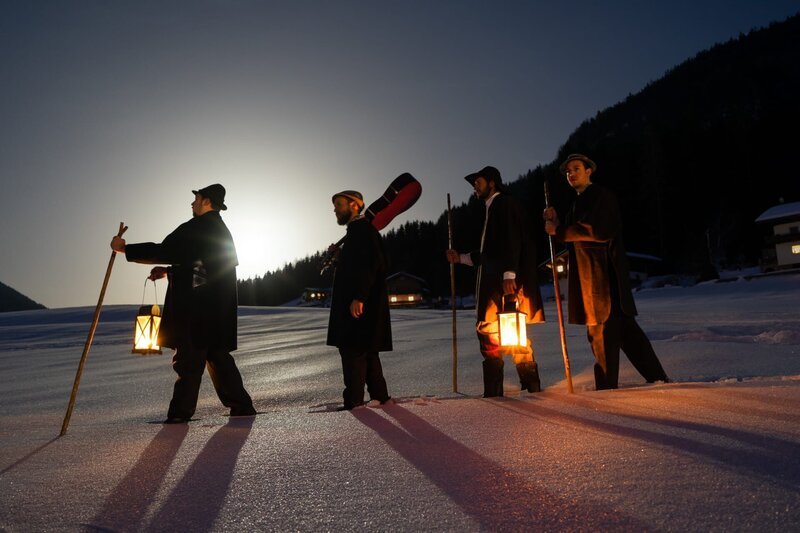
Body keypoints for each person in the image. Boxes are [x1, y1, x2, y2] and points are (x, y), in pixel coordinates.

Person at [111, 184, 256, 423]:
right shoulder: (218, 229)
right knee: (218, 359)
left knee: (188, 361)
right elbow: (202, 268)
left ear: (207, 201)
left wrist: (125, 248)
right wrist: (169, 272)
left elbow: (167, 250)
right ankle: (242, 407)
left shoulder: (199, 227)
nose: (192, 203)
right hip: (214, 311)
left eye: (196, 198)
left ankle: (179, 416)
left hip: (196, 311)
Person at [543, 154, 669, 390]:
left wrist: (559, 230)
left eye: (576, 168)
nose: (571, 173)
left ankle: (606, 393)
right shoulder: (578, 202)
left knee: (602, 336)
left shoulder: (601, 196)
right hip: (594, 281)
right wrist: (558, 222)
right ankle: (658, 378)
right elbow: (573, 238)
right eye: (568, 171)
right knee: (628, 335)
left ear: (589, 170)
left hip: (602, 282)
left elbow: (598, 230)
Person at [446, 166, 545, 397]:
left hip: (501, 286)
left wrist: (509, 274)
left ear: (492, 183)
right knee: (503, 336)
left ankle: (514, 392)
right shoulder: (493, 208)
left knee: (501, 334)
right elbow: (489, 254)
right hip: (495, 283)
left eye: (478, 182)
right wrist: (460, 258)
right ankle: (524, 390)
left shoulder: (504, 204)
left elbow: (512, 239)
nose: (474, 187)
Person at [326, 190, 392, 410]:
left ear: (354, 205)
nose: (335, 209)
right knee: (367, 351)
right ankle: (381, 398)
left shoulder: (362, 230)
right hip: (362, 305)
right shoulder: (357, 231)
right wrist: (338, 259)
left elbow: (371, 264)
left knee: (352, 350)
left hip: (359, 305)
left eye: (339, 204)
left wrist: (359, 297)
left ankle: (353, 403)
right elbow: (354, 269)